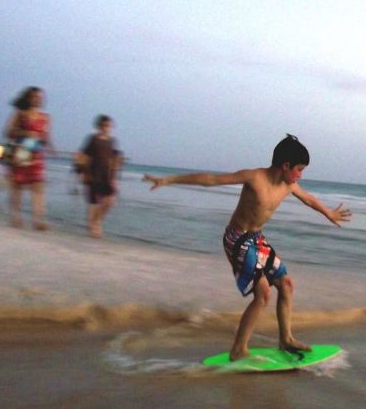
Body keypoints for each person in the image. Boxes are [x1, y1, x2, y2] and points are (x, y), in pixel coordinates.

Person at [144, 134, 352, 361]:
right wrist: (168, 180)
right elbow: (211, 179)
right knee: (262, 294)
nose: (300, 175)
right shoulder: (254, 178)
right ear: (286, 165)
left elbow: (309, 199)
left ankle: (286, 339)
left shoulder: (289, 185)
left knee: (286, 285)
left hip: (256, 238)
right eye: (299, 169)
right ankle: (238, 349)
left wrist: (328, 213)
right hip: (236, 238)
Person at [4, 86, 52, 230]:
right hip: (21, 153)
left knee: (38, 186)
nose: (38, 100)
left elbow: (45, 136)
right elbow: (8, 132)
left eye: (40, 97)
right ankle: (16, 217)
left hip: (37, 154)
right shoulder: (20, 113)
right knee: (17, 186)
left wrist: (49, 145)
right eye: (35, 97)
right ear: (28, 98)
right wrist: (26, 133)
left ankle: (38, 220)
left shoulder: (46, 117)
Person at [79, 114, 120, 238]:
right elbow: (84, 156)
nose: (106, 128)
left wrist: (114, 178)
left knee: (110, 202)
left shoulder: (113, 141)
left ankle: (95, 221)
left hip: (107, 175)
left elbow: (115, 160)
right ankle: (94, 227)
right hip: (93, 173)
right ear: (98, 126)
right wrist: (83, 173)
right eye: (104, 126)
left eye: (109, 126)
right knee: (93, 202)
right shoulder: (92, 139)